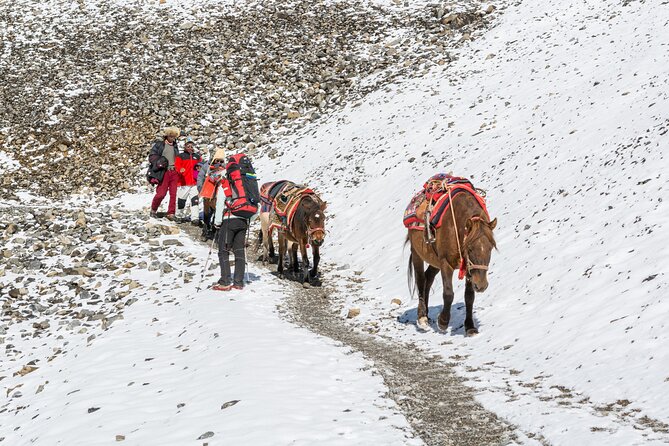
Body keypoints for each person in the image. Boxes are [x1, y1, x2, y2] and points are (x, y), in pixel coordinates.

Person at [212, 169, 248, 291]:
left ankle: (225, 281)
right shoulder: (246, 186)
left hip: (229, 220)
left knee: (223, 250)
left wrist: (217, 222)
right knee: (239, 251)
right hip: (243, 221)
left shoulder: (225, 185)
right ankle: (238, 282)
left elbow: (220, 205)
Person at [149, 127, 180, 220]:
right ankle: (153, 209)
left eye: (174, 137)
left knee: (173, 194)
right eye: (171, 136)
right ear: (166, 136)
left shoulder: (175, 146)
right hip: (164, 171)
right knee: (161, 193)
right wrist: (159, 162)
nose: (172, 138)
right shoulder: (160, 145)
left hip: (174, 171)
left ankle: (171, 213)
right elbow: (152, 156)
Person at [174, 137, 202, 224]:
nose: (190, 147)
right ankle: (179, 216)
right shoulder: (180, 156)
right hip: (183, 183)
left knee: (195, 201)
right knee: (181, 201)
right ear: (185, 146)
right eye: (188, 146)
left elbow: (201, 165)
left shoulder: (197, 156)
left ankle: (195, 218)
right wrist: (180, 169)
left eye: (191, 146)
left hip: (194, 183)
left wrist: (200, 169)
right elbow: (177, 166)